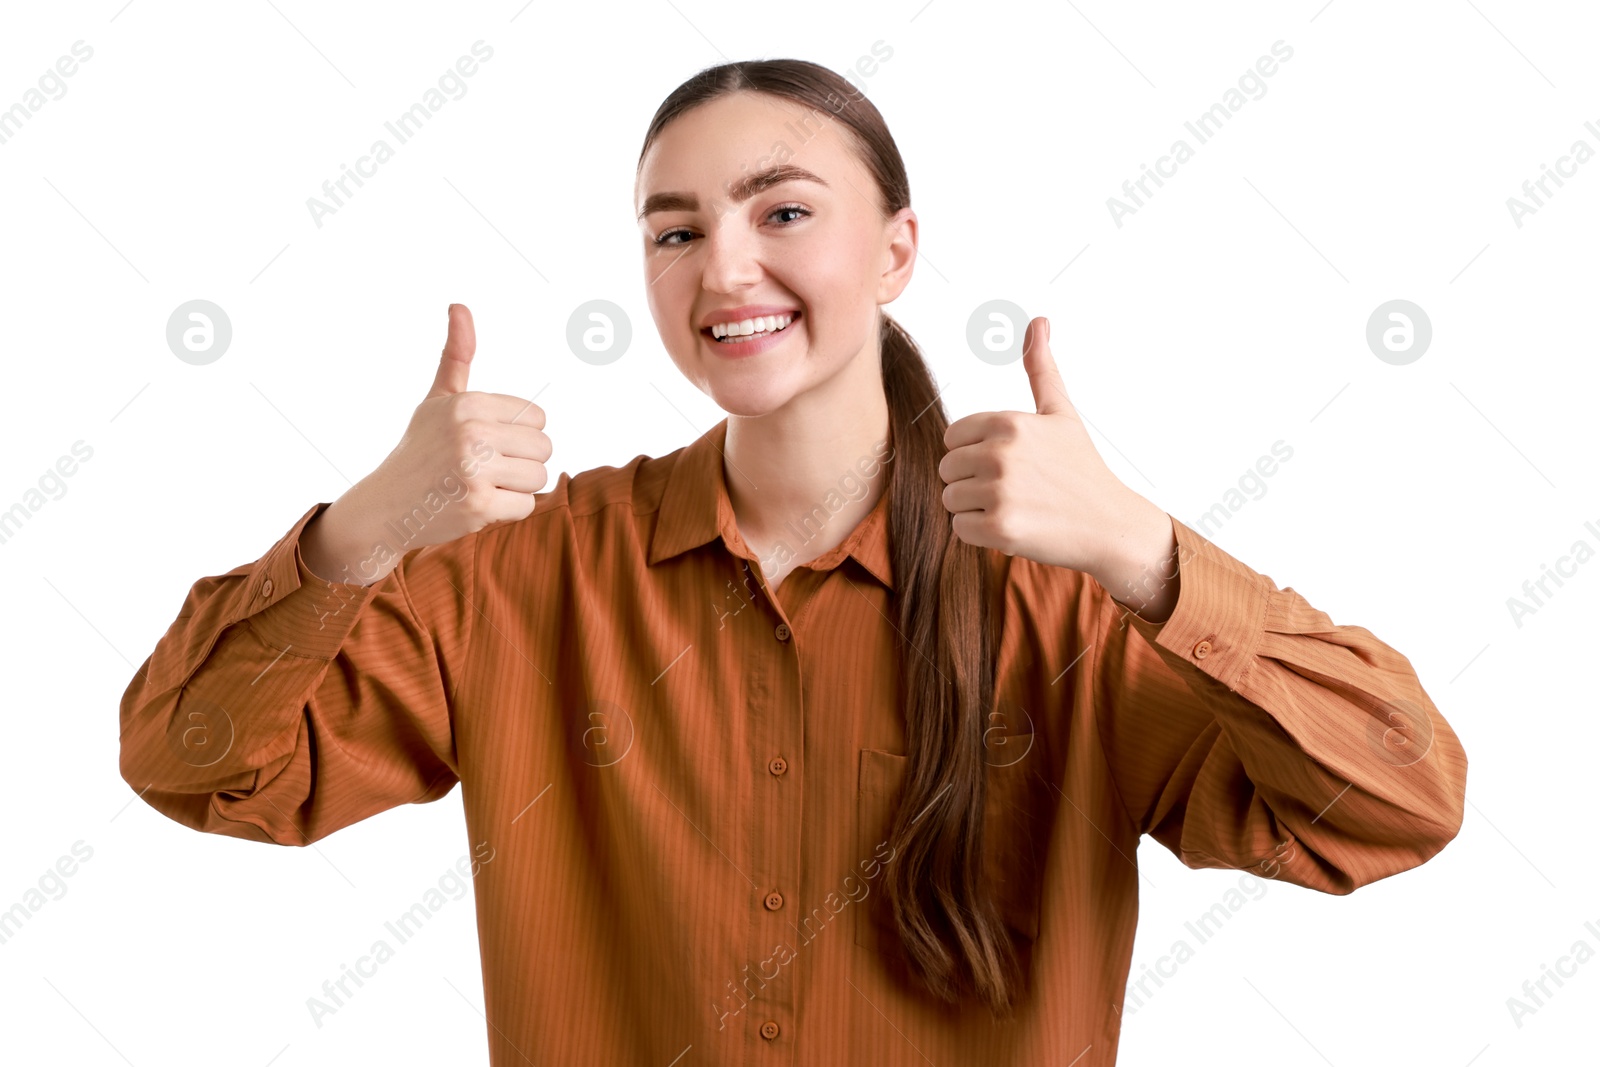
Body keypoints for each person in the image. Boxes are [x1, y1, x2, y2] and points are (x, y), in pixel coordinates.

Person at [118, 59, 1468, 1065]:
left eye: (781, 213)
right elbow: (196, 761)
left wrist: (1146, 551)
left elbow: (1396, 803)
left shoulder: (1074, 596)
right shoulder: (520, 577)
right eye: (676, 230)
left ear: (895, 251)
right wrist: (362, 534)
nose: (723, 269)